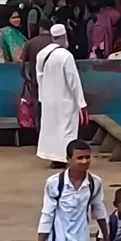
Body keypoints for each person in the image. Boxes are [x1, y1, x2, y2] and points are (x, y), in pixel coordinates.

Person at [34, 24, 86, 167]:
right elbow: (73, 81)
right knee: (67, 130)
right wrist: (81, 103)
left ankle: (54, 158)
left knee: (51, 130)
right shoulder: (66, 55)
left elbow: (39, 77)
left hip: (48, 100)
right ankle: (65, 157)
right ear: (64, 37)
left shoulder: (42, 54)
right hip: (65, 100)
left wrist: (42, 98)